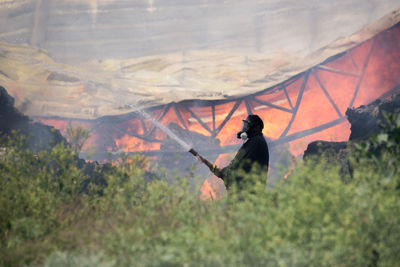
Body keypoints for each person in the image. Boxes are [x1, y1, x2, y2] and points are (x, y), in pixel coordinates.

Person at [194, 114, 269, 190]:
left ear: (257, 128)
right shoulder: (254, 141)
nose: (246, 128)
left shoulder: (256, 142)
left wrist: (224, 173)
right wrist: (223, 171)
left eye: (248, 126)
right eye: (246, 126)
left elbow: (240, 164)